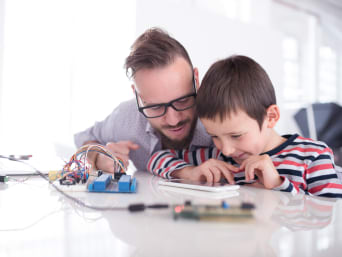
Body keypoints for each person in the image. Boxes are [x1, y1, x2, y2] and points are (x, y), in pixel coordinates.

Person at [148, 55, 342, 198]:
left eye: (236, 135)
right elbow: (157, 157)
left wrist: (278, 185)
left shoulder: (313, 157)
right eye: (214, 136)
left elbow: (330, 219)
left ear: (271, 117)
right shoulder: (220, 158)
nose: (226, 148)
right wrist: (189, 172)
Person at [74, 28, 213, 172]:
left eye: (183, 100)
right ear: (137, 96)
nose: (173, 120)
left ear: (196, 79)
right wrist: (98, 157)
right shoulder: (127, 118)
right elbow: (84, 138)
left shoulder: (223, 114)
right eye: (156, 107)